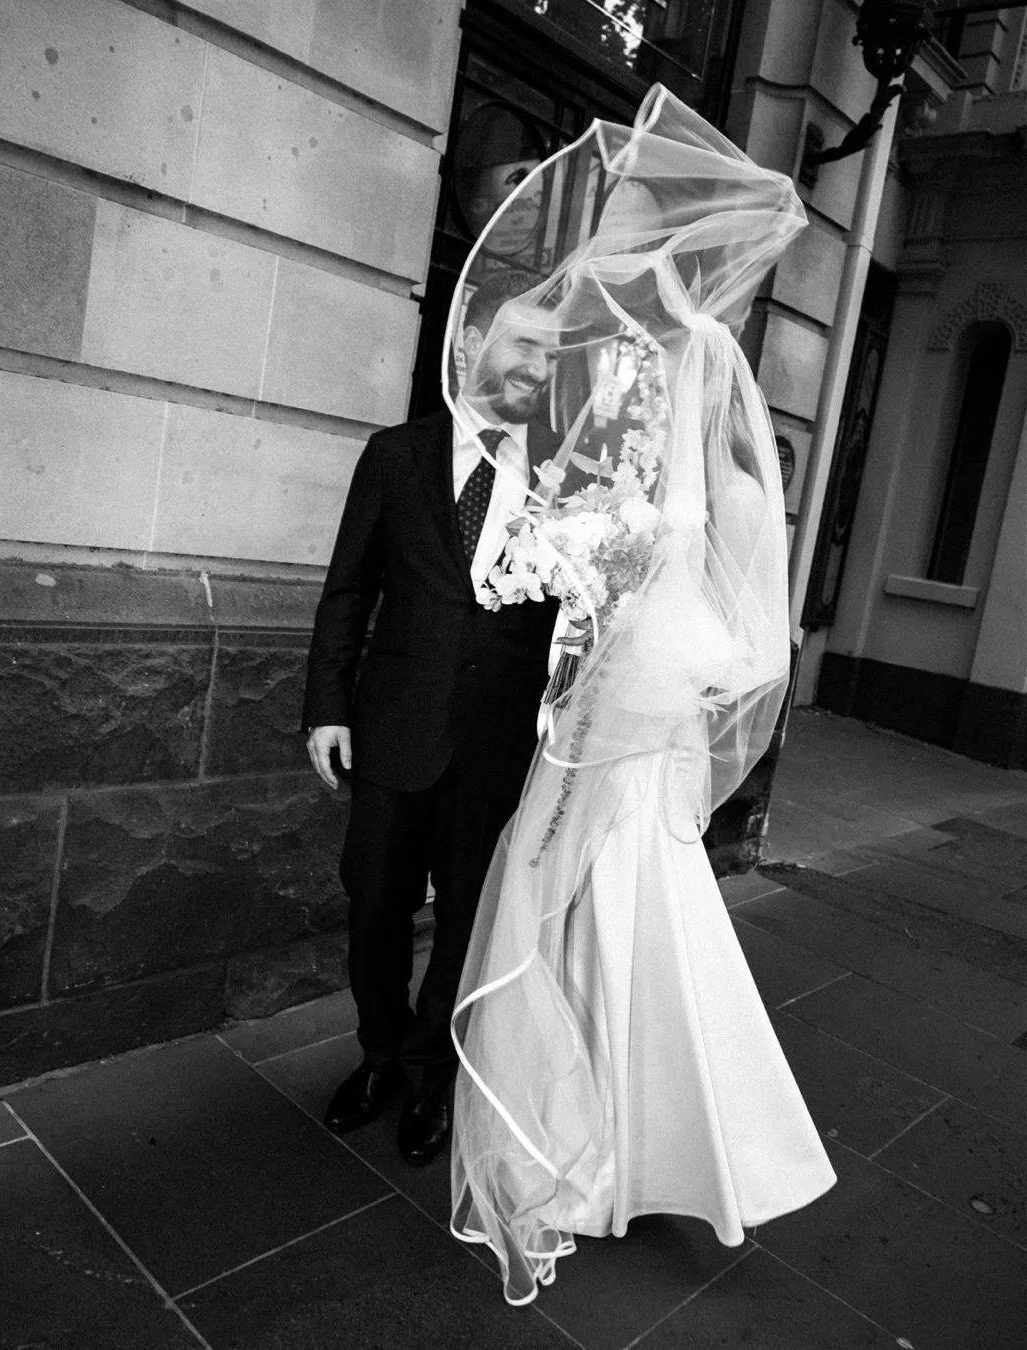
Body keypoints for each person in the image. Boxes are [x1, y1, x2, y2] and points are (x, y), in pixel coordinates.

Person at [446, 86, 837, 1305]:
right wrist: (579, 566)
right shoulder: (614, 393)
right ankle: (621, 1150)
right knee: (599, 903)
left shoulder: (710, 411)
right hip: (607, 678)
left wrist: (645, 609)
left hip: (641, 689)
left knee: (597, 894)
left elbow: (743, 588)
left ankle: (616, 1151)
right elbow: (567, 523)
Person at [301, 270, 560, 1166]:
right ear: (471, 344)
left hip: (501, 740)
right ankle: (377, 1054)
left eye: (551, 352)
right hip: (392, 726)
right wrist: (326, 706)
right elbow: (349, 589)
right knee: (374, 899)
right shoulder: (395, 454)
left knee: (467, 919)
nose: (540, 365)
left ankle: (429, 1072)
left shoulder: (567, 481)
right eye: (525, 343)